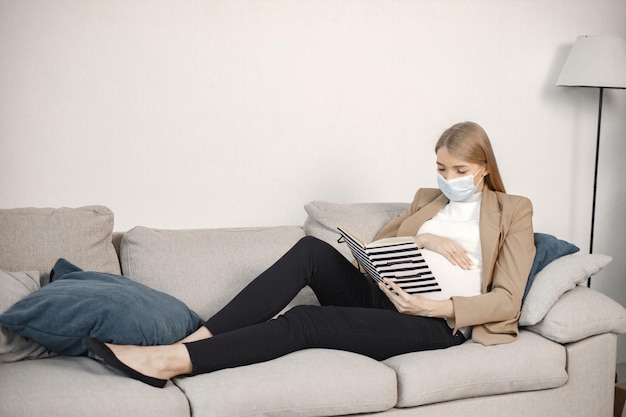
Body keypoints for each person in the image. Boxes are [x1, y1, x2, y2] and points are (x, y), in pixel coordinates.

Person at [84, 121, 536, 388]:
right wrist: (425, 241)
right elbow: (375, 252)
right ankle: (193, 341)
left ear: (484, 168)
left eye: (459, 170)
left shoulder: (513, 210)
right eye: (441, 168)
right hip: (390, 296)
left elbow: (507, 300)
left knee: (307, 323)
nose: (448, 177)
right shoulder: (426, 199)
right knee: (309, 251)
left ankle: (171, 362)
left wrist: (435, 306)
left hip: (436, 323)